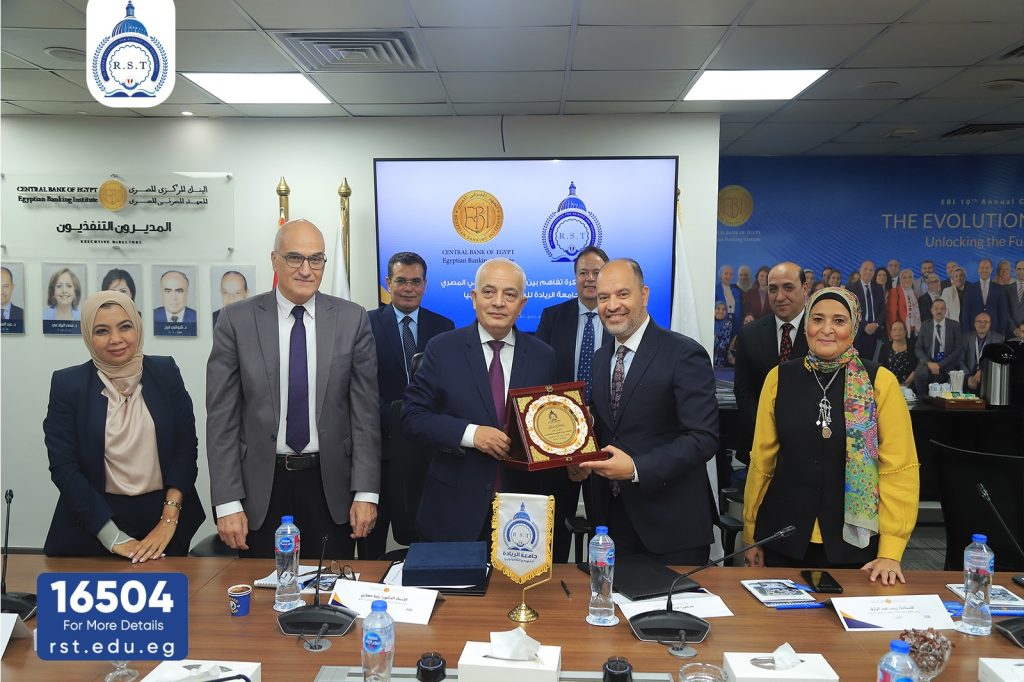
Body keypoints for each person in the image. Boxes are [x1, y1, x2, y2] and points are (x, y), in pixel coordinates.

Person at [207, 219, 381, 558]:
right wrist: (227, 502)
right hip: (261, 489)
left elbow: (365, 415)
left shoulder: (352, 319)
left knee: (332, 586)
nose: (306, 269)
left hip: (331, 489)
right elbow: (221, 419)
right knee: (261, 587)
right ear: (274, 260)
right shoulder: (236, 321)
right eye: (295, 258)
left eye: (316, 259)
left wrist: (366, 493)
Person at [743, 287, 919, 583]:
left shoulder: (880, 383)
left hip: (857, 548)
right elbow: (762, 462)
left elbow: (898, 470)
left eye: (839, 321)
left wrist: (891, 551)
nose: (826, 329)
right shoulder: (779, 378)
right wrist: (752, 533)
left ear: (854, 327)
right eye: (817, 319)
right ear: (806, 325)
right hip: (781, 539)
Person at [401, 258, 556, 543]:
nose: (498, 302)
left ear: (522, 304)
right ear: (474, 298)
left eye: (510, 294)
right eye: (488, 292)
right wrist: (472, 434)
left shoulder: (543, 356)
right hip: (453, 508)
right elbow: (412, 417)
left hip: (521, 512)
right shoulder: (442, 349)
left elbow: (550, 422)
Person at [575, 259, 719, 564]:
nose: (612, 305)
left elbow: (703, 438)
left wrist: (636, 468)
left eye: (622, 294)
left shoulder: (683, 353)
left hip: (671, 526)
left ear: (644, 295)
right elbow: (609, 426)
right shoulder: (601, 358)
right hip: (610, 523)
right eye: (603, 297)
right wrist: (577, 445)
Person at [42, 291, 205, 557]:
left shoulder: (166, 372)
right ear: (87, 335)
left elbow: (186, 447)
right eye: (102, 331)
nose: (116, 339)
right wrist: (112, 536)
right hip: (94, 524)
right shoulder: (68, 385)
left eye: (125, 326)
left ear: (137, 326)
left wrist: (169, 518)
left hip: (165, 522)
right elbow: (64, 467)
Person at [365, 252, 454, 559]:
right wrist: (395, 417)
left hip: (427, 451)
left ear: (425, 285)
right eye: (401, 281)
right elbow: (361, 384)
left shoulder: (444, 326)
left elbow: (448, 387)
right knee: (373, 534)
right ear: (388, 283)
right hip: (381, 448)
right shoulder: (366, 324)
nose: (408, 288)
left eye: (415, 281)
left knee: (427, 535)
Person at [534, 245, 611, 561]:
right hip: (559, 437)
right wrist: (568, 446)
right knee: (554, 531)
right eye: (583, 273)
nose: (590, 279)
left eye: (597, 272)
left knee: (606, 527)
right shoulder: (553, 317)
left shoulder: (618, 317)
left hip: (608, 439)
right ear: (575, 277)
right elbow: (540, 376)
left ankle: (603, 581)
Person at [733, 262, 810, 466]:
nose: (780, 296)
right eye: (773, 289)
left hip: (810, 450)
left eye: (788, 287)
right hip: (759, 448)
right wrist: (765, 433)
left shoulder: (821, 334)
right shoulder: (749, 334)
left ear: (804, 288)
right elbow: (743, 391)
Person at [913, 298, 964, 397]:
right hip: (929, 362)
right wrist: (929, 363)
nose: (939, 311)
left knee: (955, 373)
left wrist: (939, 365)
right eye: (936, 308)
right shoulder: (925, 325)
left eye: (942, 308)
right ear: (931, 310)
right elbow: (918, 348)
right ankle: (922, 400)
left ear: (946, 310)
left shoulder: (955, 325)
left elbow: (958, 350)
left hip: (947, 362)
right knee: (920, 372)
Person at [961, 258, 1005, 336]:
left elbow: (1003, 312)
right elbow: (965, 312)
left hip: (994, 330)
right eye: (982, 268)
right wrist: (967, 333)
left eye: (987, 268)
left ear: (991, 270)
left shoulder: (999, 288)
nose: (984, 270)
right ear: (978, 269)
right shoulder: (970, 288)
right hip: (973, 331)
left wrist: (1001, 333)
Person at [962, 312, 1003, 393]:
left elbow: (997, 361)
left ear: (990, 324)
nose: (982, 324)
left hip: (988, 377)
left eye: (986, 321)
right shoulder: (965, 338)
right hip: (968, 376)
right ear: (974, 324)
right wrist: (968, 377)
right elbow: (959, 360)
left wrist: (984, 372)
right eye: (979, 321)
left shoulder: (998, 339)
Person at [852, 261, 885, 358]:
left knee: (870, 364)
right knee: (855, 364)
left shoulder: (878, 288)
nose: (868, 272)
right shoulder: (851, 288)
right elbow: (852, 310)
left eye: (871, 270)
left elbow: (883, 309)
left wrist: (876, 324)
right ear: (860, 270)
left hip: (874, 333)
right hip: (858, 333)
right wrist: (865, 325)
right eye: (865, 269)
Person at [885, 268, 921, 341]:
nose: (907, 280)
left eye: (910, 277)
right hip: (900, 332)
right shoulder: (895, 291)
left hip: (913, 331)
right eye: (904, 277)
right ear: (900, 279)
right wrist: (892, 333)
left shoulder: (914, 294)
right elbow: (892, 314)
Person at [877, 320, 915, 387]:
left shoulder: (912, 347)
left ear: (905, 332)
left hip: (908, 384)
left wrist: (905, 384)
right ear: (891, 333)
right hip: (889, 384)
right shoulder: (885, 347)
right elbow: (881, 367)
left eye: (900, 329)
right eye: (894, 329)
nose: (897, 332)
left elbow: (916, 369)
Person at [715, 265, 743, 337]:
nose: (728, 276)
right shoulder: (715, 289)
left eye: (730, 274)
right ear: (721, 275)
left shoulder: (737, 291)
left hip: (735, 323)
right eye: (726, 274)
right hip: (720, 323)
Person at [712, 301, 733, 367]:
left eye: (723, 309)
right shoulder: (710, 322)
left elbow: (725, 342)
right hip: (707, 356)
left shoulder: (728, 324)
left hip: (720, 359)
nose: (721, 311)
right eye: (718, 308)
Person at [1007, 260, 1024, 340]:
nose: (1022, 271)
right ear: (1015, 270)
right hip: (1010, 334)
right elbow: (1004, 311)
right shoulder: (1006, 289)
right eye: (1019, 269)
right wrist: (1014, 329)